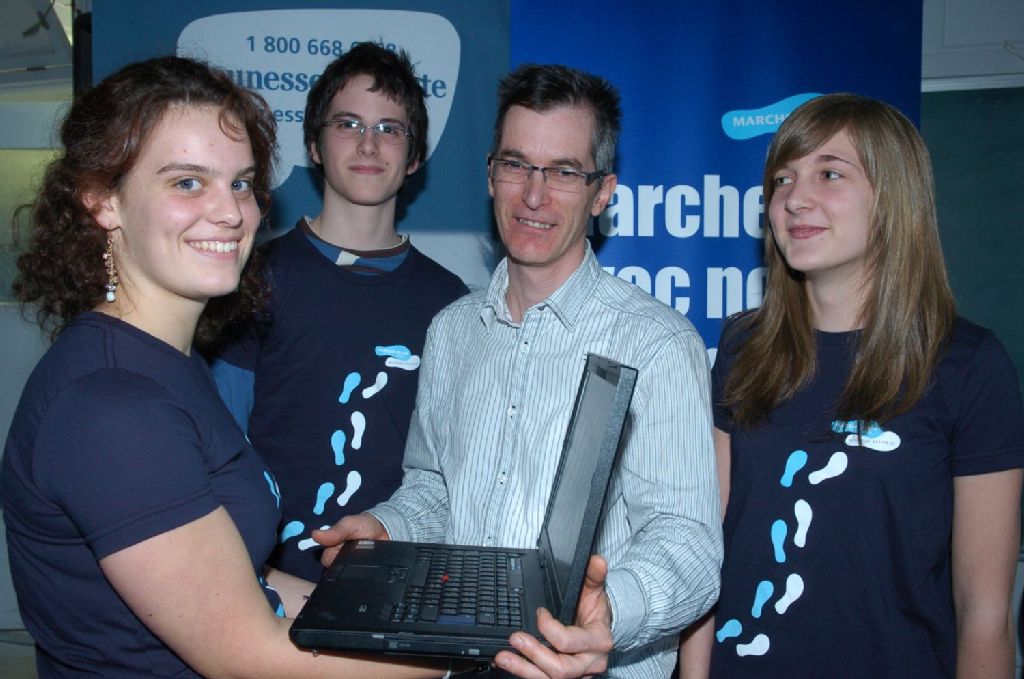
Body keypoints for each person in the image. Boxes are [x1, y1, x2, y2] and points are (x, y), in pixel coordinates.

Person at [1, 56, 449, 678]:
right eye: (188, 182)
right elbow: (249, 656)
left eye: (240, 183)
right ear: (103, 200)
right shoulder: (112, 407)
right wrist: (473, 654)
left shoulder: (169, 365)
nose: (232, 213)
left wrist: (423, 619)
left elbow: (246, 582)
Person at [317, 63, 722, 679]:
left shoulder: (657, 343)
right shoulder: (452, 331)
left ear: (603, 192)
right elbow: (436, 487)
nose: (534, 196)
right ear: (490, 175)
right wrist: (385, 525)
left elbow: (687, 542)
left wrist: (609, 611)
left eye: (563, 171)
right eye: (516, 165)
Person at [679, 93, 1024, 678]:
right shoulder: (743, 347)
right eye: (782, 179)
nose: (794, 198)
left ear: (893, 197)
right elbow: (704, 555)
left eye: (830, 173)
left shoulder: (967, 365)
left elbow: (984, 612)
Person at [207, 41, 468, 583]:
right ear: (315, 145)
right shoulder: (251, 280)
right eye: (348, 124)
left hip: (402, 586)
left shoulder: (449, 301)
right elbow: (218, 450)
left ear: (414, 157)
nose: (368, 144)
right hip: (266, 588)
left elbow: (452, 472)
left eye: (389, 128)